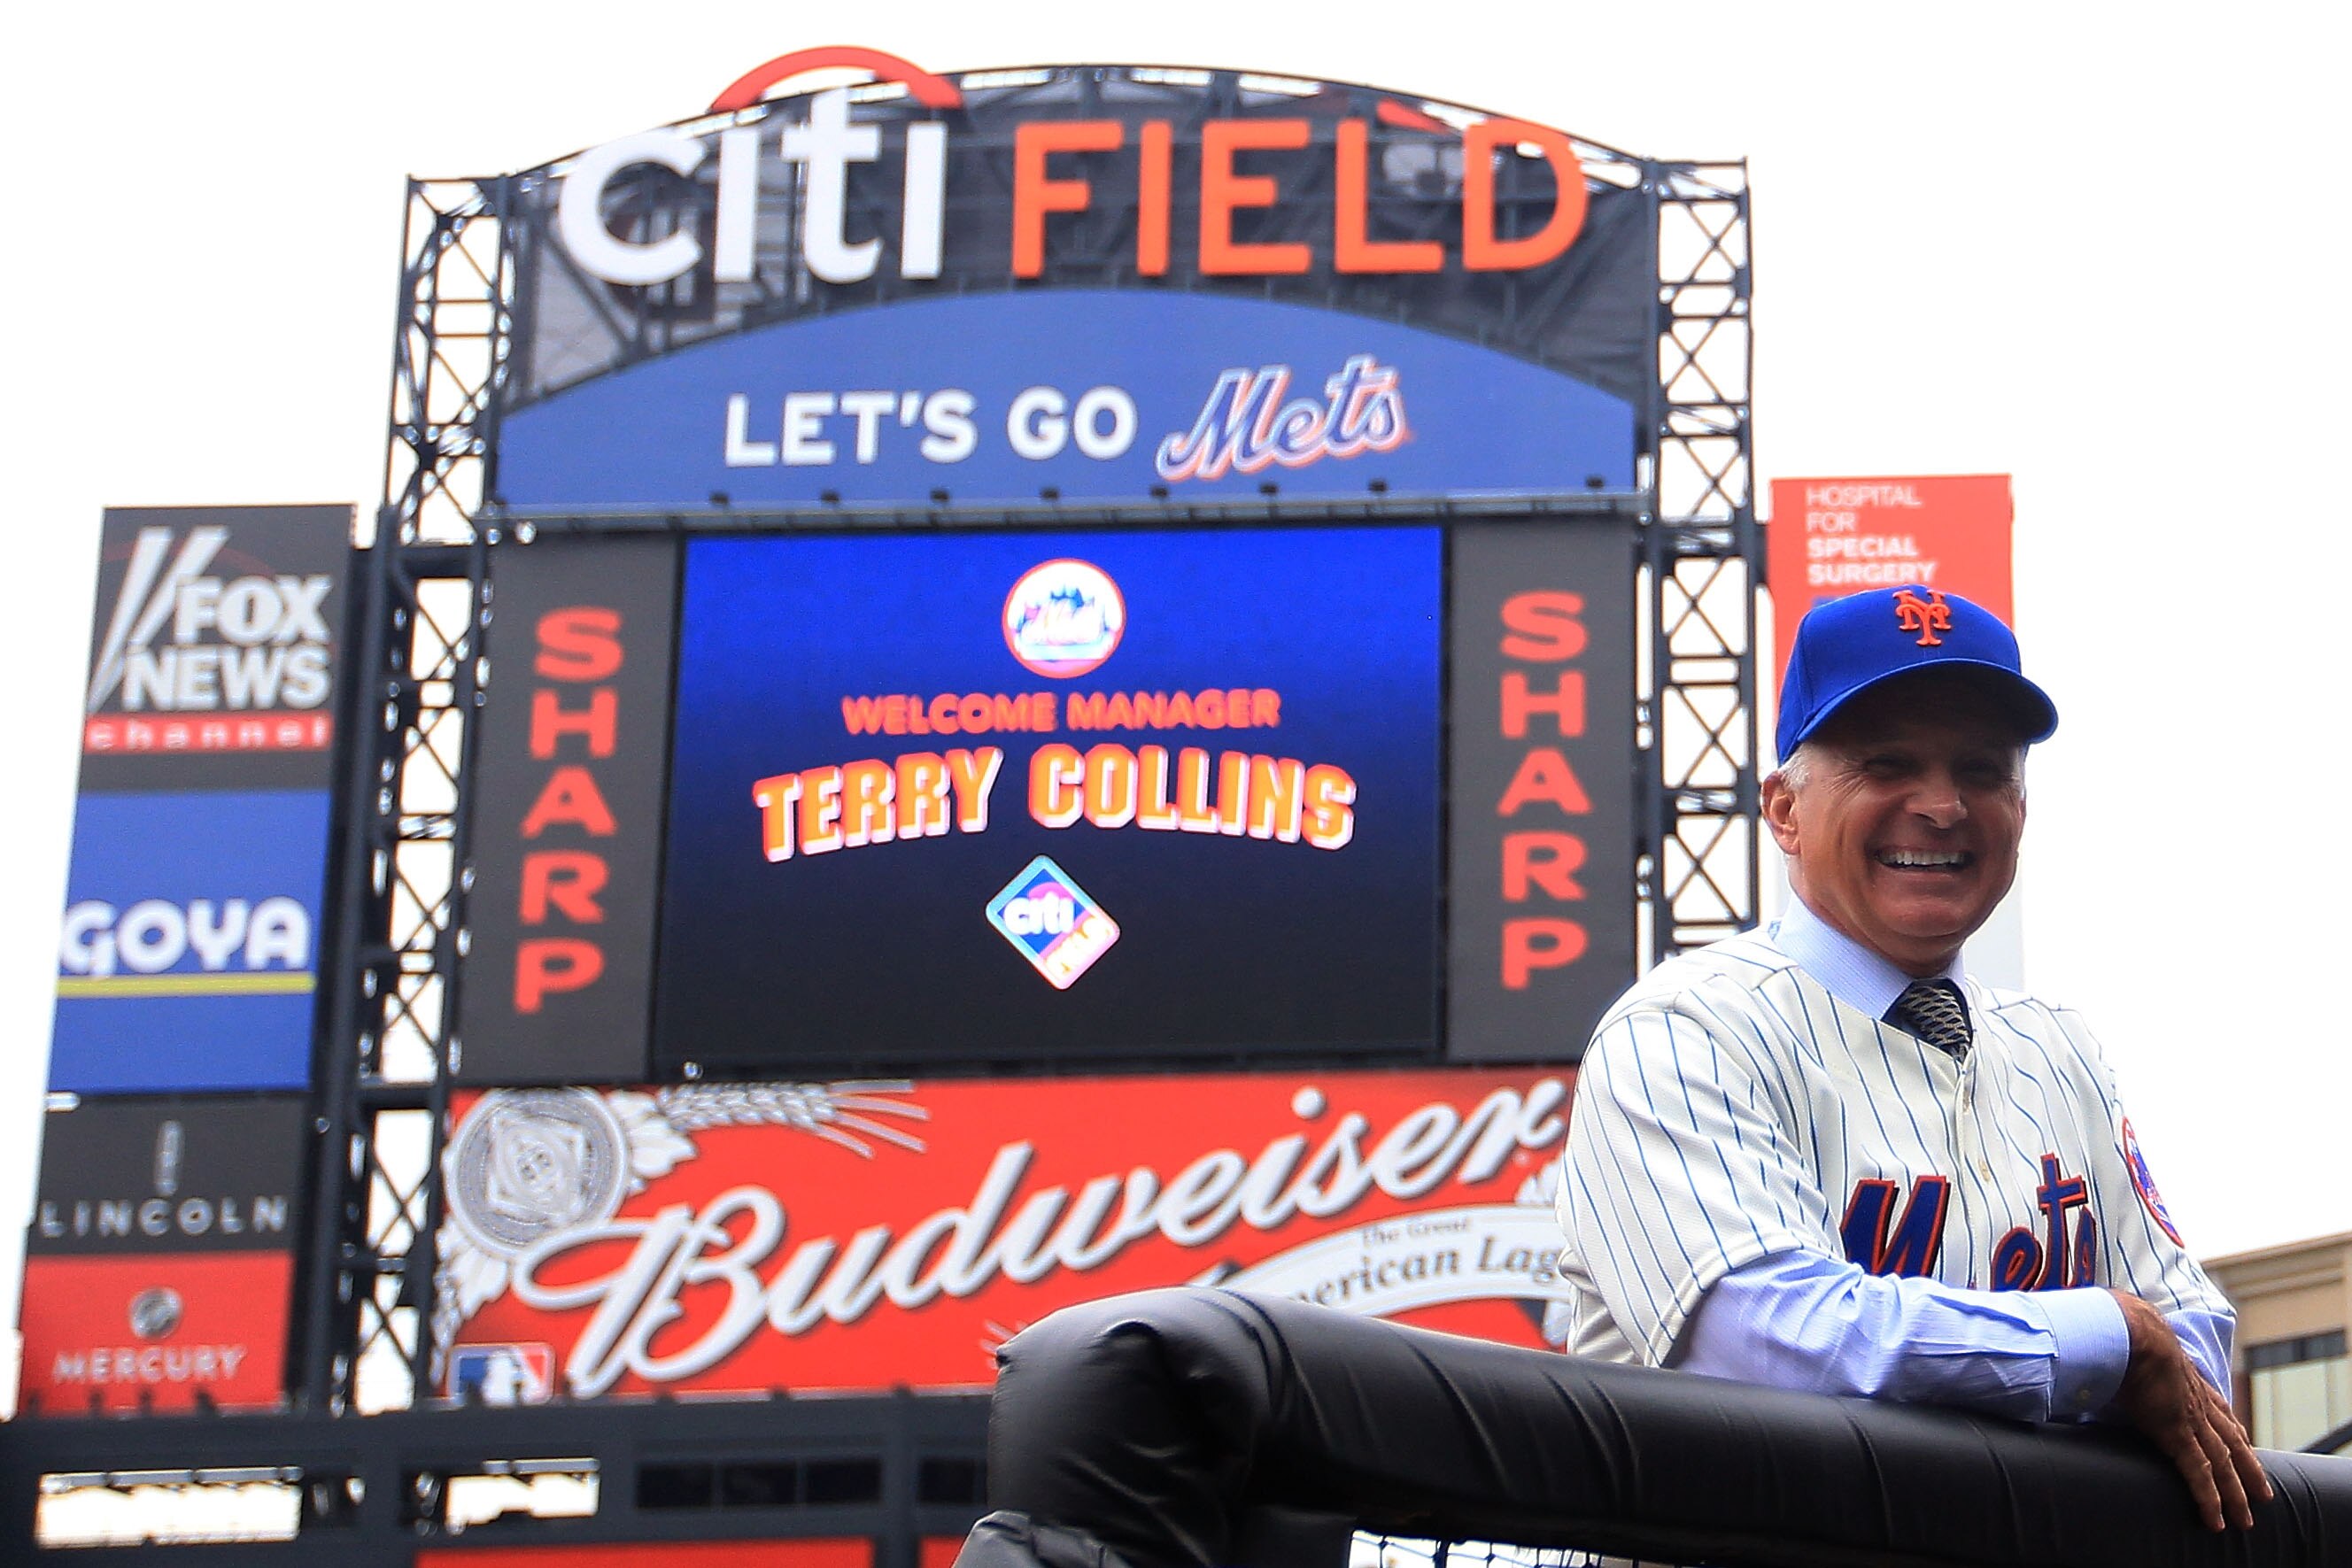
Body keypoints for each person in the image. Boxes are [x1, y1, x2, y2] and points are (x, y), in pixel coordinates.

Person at [1553, 583, 2271, 1533]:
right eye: (1885, 762)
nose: (1940, 805)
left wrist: (2096, 1355)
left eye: (1981, 769)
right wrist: (2094, 1345)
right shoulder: (1682, 1029)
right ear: (1783, 809)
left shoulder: (2060, 1048)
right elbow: (1767, 1347)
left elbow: (2192, 1346)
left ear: (2020, 804)